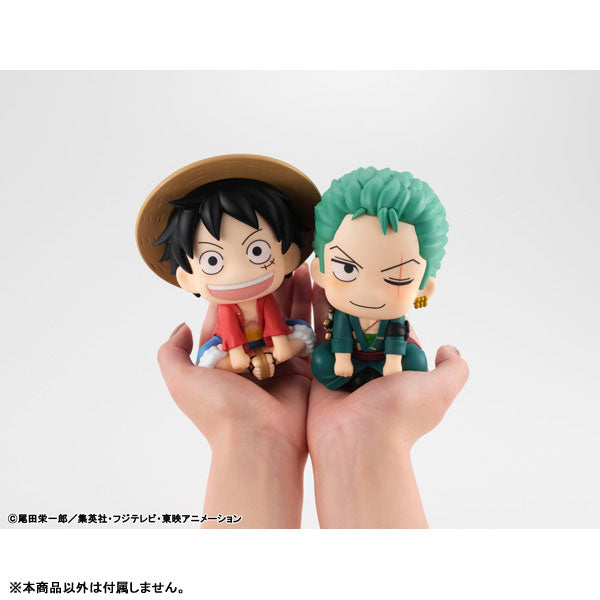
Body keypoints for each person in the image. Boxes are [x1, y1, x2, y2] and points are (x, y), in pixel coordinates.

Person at [157, 264, 469, 529]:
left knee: (414, 359)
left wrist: (392, 367)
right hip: (330, 361)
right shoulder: (342, 313)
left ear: (423, 287)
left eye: (394, 275)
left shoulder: (393, 317)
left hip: (381, 362)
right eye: (350, 269)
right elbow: (339, 335)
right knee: (322, 360)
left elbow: (397, 340)